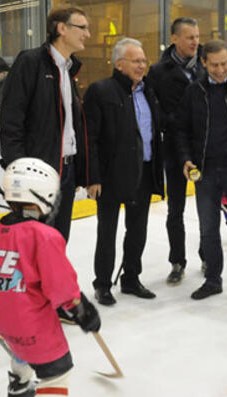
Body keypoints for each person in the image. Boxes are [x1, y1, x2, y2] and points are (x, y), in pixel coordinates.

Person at [0, 157, 101, 397]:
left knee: (22, 348)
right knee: (57, 369)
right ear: (41, 195)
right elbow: (61, 287)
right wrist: (81, 310)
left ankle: (20, 386)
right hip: (30, 322)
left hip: (0, 320)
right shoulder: (44, 236)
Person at [0, 6, 98, 243]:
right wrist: (18, 170)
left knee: (57, 242)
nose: (88, 34)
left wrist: (84, 172)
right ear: (62, 29)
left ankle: (53, 282)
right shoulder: (30, 62)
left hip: (67, 172)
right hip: (36, 176)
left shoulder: (69, 69)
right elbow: (11, 120)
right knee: (34, 242)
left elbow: (73, 127)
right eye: (82, 28)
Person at [175, 39, 227, 302]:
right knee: (208, 229)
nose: (221, 69)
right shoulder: (194, 91)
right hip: (206, 171)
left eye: (224, 63)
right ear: (203, 63)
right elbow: (181, 130)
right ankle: (213, 279)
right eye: (214, 65)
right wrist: (186, 159)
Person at [83, 38, 164, 305]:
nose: (142, 65)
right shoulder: (100, 91)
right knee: (107, 231)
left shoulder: (148, 92)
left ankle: (131, 278)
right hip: (110, 175)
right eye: (136, 61)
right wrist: (92, 177)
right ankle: (103, 284)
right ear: (119, 64)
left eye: (144, 61)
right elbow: (90, 138)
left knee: (137, 229)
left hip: (144, 170)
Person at [148, 17, 205, 285]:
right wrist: (172, 123)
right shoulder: (158, 72)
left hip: (205, 149)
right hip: (173, 150)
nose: (195, 41)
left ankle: (208, 256)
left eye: (197, 36)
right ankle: (177, 261)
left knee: (207, 207)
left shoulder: (207, 65)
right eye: (189, 37)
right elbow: (154, 110)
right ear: (175, 38)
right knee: (176, 210)